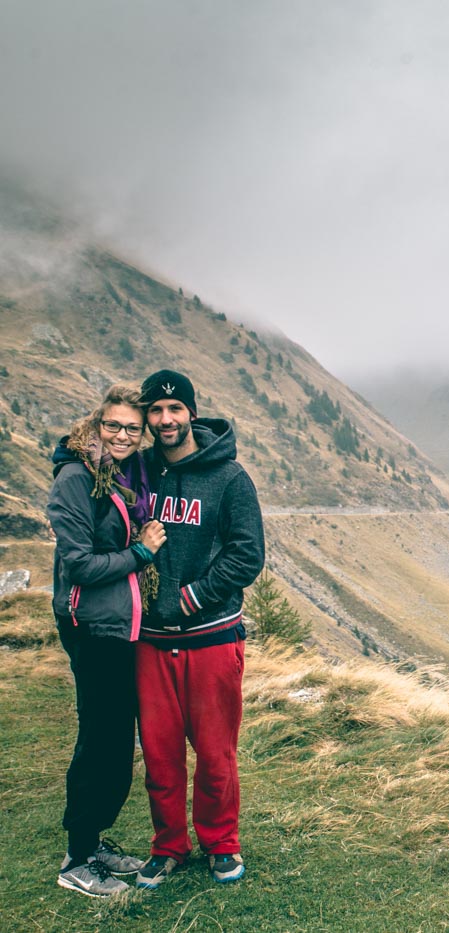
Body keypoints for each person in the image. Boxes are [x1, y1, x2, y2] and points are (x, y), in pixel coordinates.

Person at [132, 370, 264, 889]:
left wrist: (191, 596)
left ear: (191, 412)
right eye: (156, 411)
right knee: (160, 755)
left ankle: (221, 844)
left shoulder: (229, 478)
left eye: (175, 410)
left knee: (214, 754)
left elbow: (246, 554)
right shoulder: (137, 472)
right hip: (150, 643)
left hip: (211, 636)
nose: (166, 420)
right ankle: (168, 847)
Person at [47, 384, 165, 897]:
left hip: (119, 628)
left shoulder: (111, 476)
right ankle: (76, 859)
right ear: (97, 425)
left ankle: (93, 844)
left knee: (118, 740)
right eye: (113, 425)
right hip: (92, 628)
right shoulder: (76, 477)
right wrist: (141, 554)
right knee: (100, 738)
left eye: (131, 429)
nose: (121, 434)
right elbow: (80, 565)